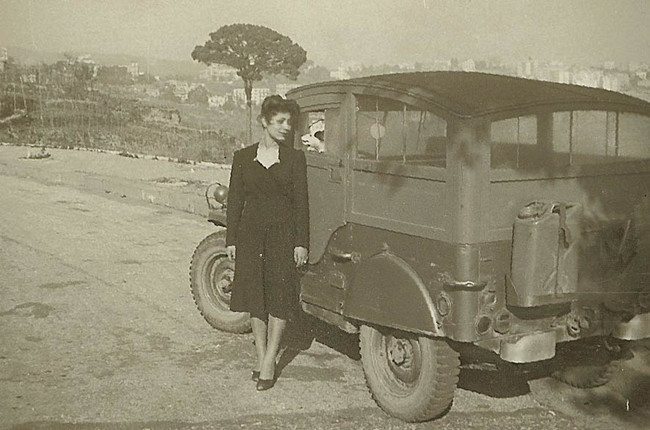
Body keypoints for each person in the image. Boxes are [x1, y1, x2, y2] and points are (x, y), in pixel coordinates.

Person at [225, 95, 309, 391]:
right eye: (280, 121)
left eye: (289, 122)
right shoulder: (243, 157)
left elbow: (301, 205)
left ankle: (271, 358)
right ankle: (260, 355)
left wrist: (301, 242)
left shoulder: (295, 159)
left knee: (279, 298)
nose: (287, 127)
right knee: (255, 299)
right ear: (264, 122)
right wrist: (231, 239)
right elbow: (235, 201)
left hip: (282, 237)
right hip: (250, 237)